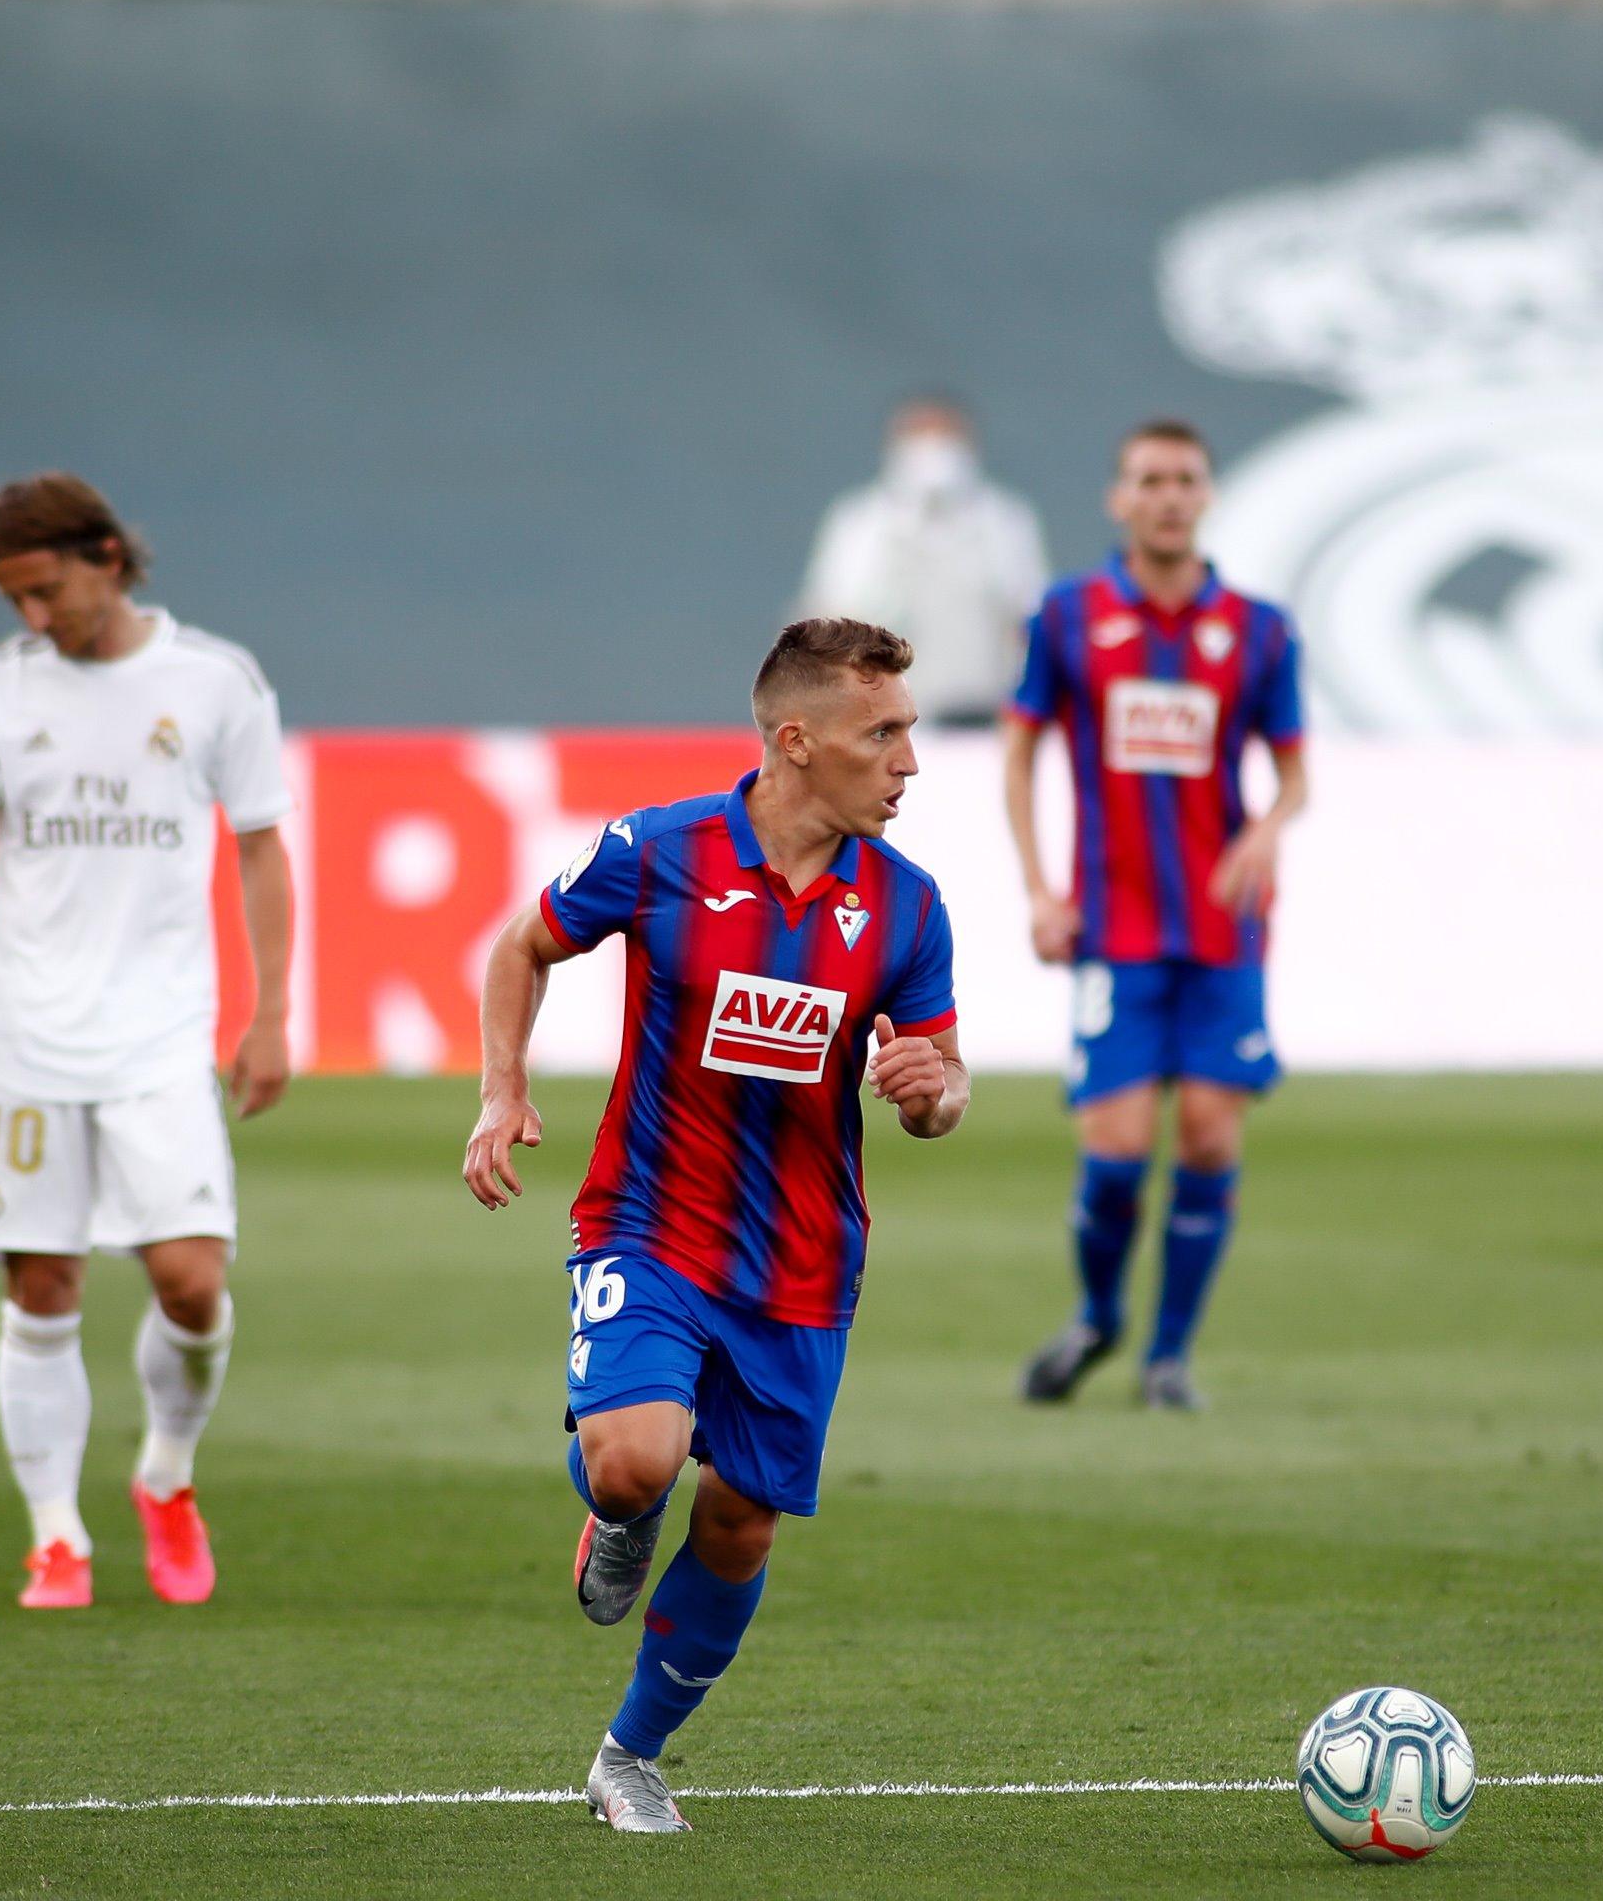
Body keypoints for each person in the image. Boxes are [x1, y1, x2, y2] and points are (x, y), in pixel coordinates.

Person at [463, 617, 970, 1837]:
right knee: (635, 1457)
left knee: (740, 1519)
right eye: (882, 733)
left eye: (909, 729)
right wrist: (503, 1085)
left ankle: (630, 1753)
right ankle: (622, 1509)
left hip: (802, 1261)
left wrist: (935, 1091)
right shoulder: (659, 849)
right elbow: (524, 943)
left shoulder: (904, 905)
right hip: (649, 1224)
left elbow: (941, 1076)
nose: (909, 760)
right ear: (794, 740)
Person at [0, 472, 296, 1610]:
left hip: (160, 1036)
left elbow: (263, 848)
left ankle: (165, 1477)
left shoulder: (216, 682)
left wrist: (270, 1009)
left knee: (189, 1280)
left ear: (108, 559)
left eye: (45, 589)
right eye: (12, 596)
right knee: (41, 1283)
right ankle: (55, 1534)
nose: (34, 616)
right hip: (26, 1036)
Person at [1003, 420, 1307, 1412]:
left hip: (1223, 930)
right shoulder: (1068, 615)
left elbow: (1295, 772)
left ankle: (1168, 1354)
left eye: (1185, 478)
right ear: (1118, 499)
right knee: (1119, 1146)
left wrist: (1265, 828)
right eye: (1149, 479)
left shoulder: (1259, 629)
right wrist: (1042, 890)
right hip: (1116, 928)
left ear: (1207, 494)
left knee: (1213, 1139)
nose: (1169, 494)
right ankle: (1099, 1314)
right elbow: (1020, 753)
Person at [793, 395, 1051, 724]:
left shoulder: (1006, 520)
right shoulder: (859, 522)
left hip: (983, 716)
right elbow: (832, 615)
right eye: (918, 435)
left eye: (945, 437)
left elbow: (1030, 616)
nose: (932, 451)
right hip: (880, 714)